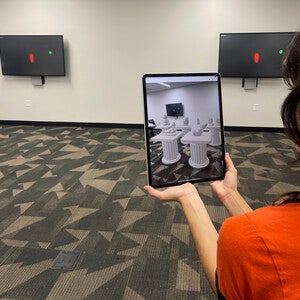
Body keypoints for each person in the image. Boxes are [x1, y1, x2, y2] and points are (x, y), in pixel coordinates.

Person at [144, 32, 300, 299]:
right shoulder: (261, 235)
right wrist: (230, 195)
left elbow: (229, 280)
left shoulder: (245, 239)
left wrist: (189, 196)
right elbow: (265, 246)